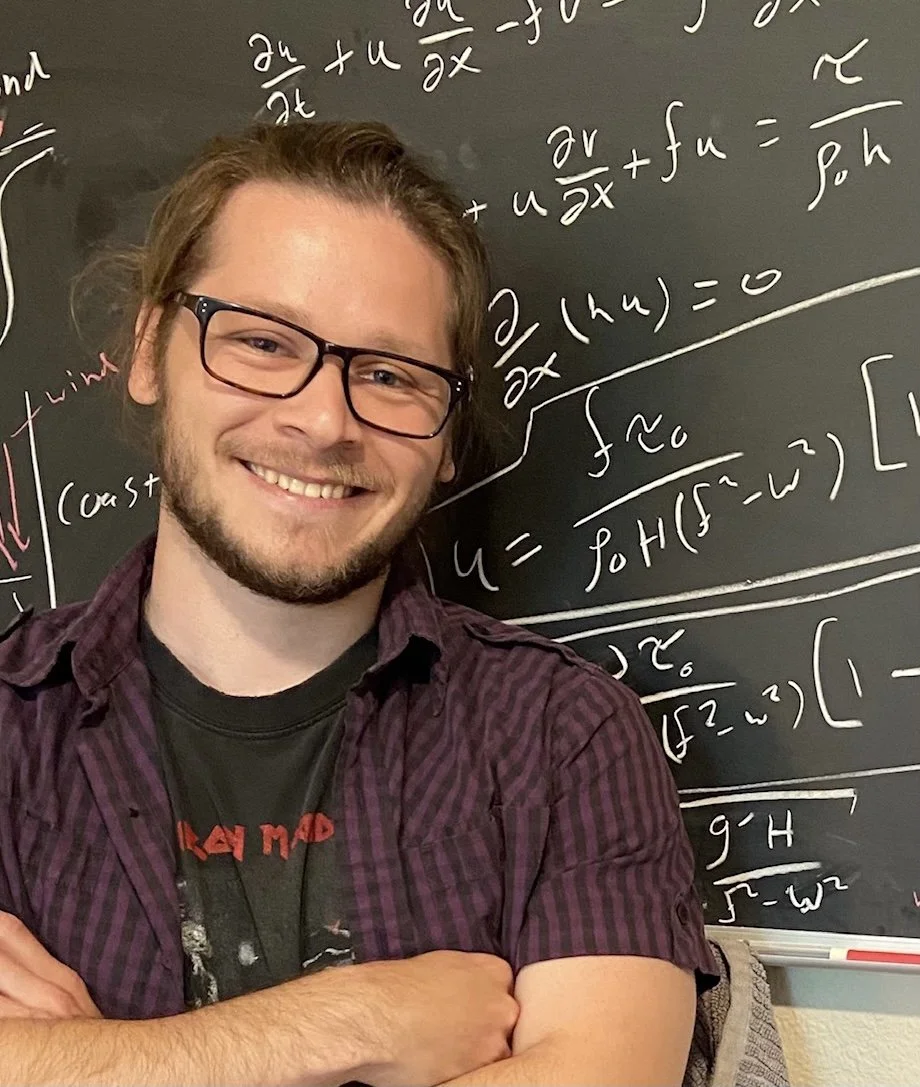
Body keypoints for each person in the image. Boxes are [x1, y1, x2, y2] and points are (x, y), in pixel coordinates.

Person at [0, 120, 717, 1085]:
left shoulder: (563, 738)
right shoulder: (8, 728)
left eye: (389, 374)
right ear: (146, 350)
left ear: (448, 433)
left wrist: (81, 1064)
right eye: (259, 341)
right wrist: (354, 1023)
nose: (323, 419)